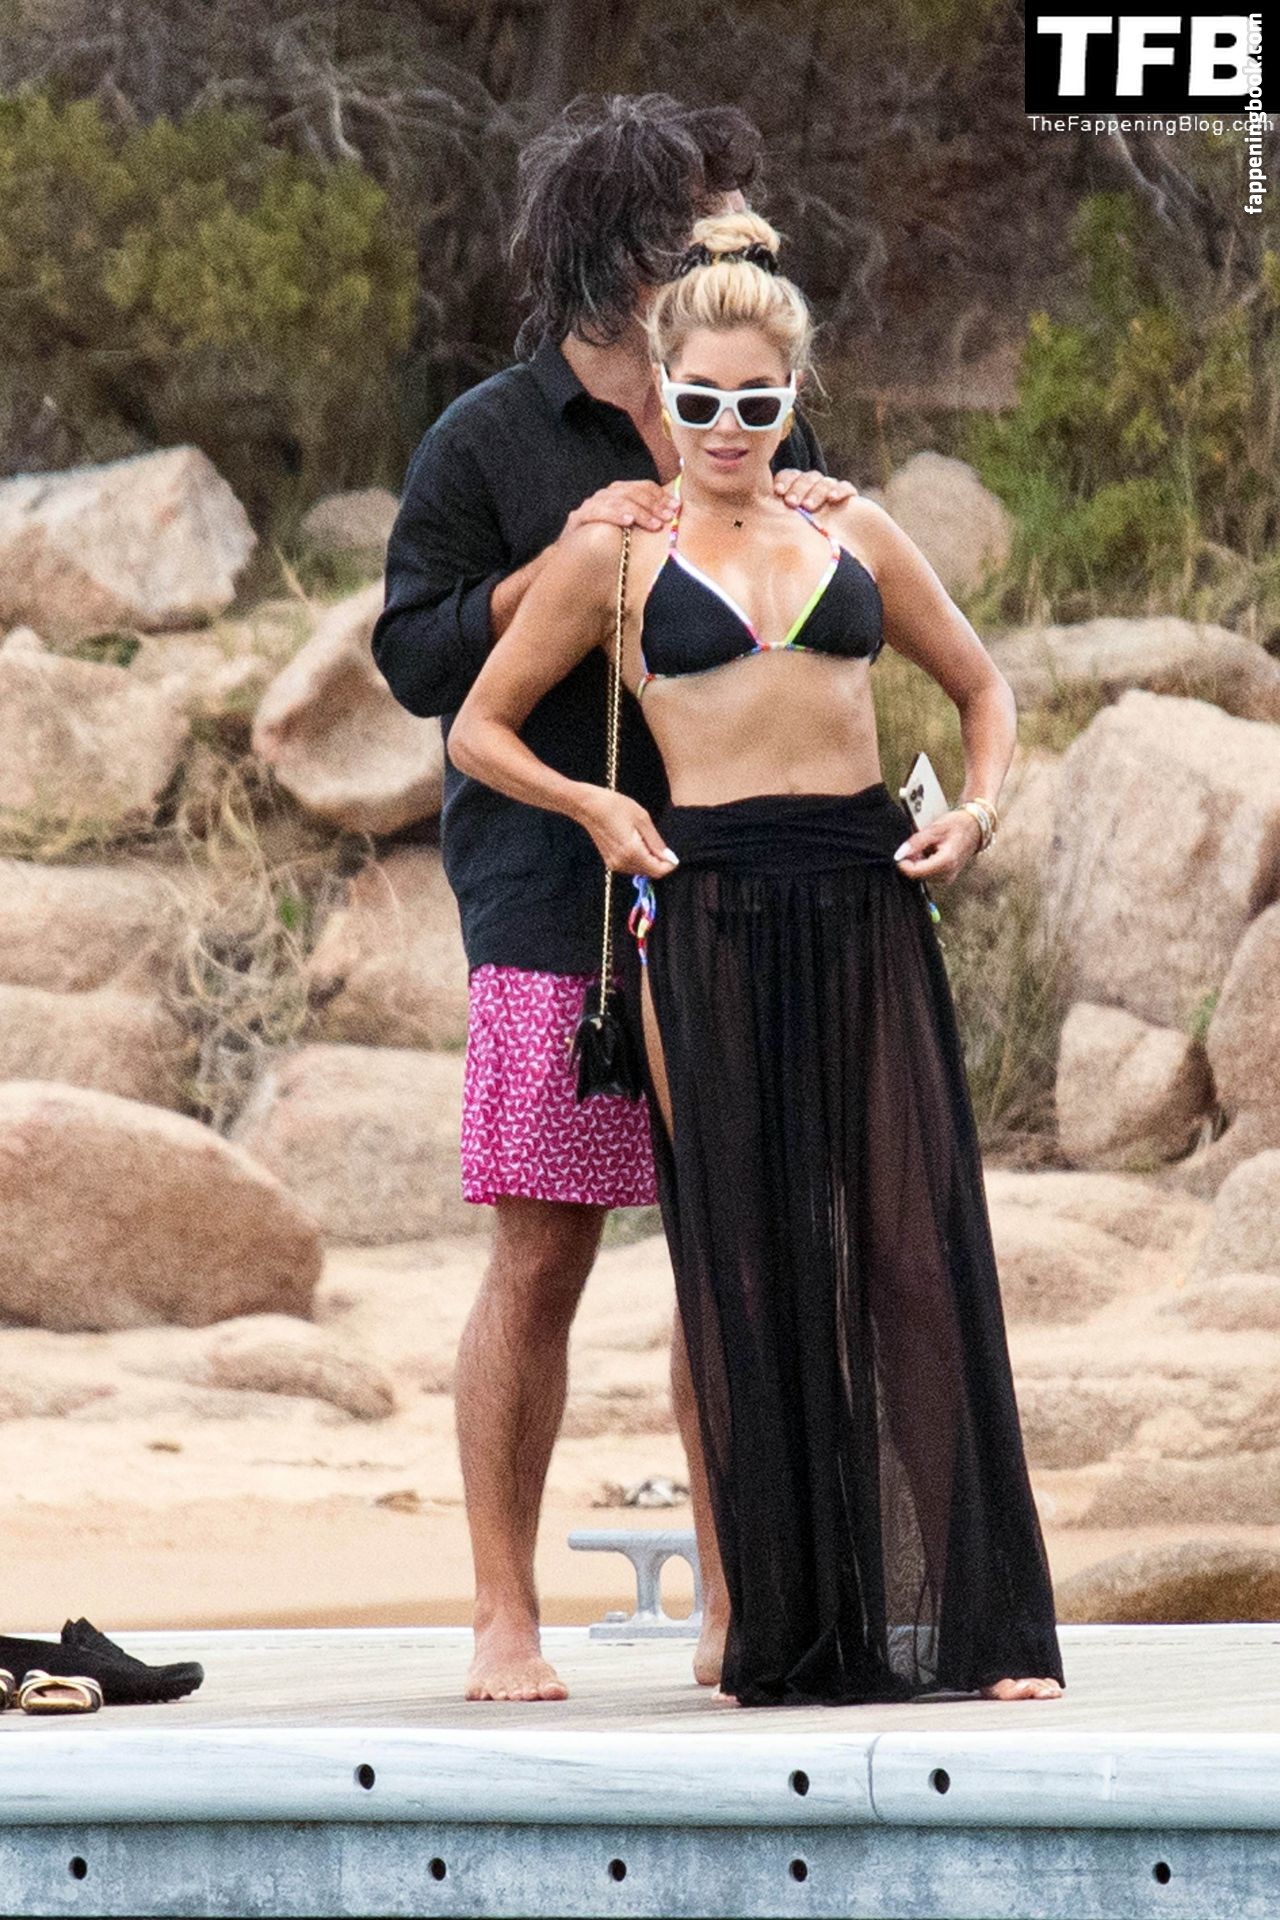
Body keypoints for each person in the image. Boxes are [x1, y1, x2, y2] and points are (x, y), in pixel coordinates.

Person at [447, 206, 1067, 1708]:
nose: (728, 428)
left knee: (913, 1250)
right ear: (661, 395)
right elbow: (475, 727)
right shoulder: (615, 550)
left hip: (866, 896)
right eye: (702, 400)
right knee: (743, 1255)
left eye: (758, 400)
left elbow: (983, 690)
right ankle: (777, 1627)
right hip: (707, 909)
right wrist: (597, 806)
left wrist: (976, 816)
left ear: (795, 396)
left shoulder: (854, 529)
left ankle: (978, 1628)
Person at [369, 94, 855, 1704]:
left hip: (746, 881)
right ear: (624, 250)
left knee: (736, 1254)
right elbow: (418, 659)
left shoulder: (751, 405)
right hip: (545, 890)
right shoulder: (485, 440)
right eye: (707, 228)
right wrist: (557, 568)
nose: (738, 252)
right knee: (543, 1254)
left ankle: (736, 1604)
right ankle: (504, 1619)